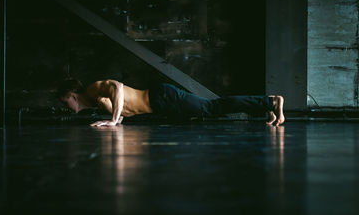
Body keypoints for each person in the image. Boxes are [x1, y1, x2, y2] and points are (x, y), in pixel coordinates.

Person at [56, 78, 285, 127]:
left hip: (161, 96)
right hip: (161, 105)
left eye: (64, 101)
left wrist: (113, 120)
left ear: (72, 95)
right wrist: (114, 119)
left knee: (213, 107)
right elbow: (126, 109)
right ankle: (268, 106)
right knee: (209, 111)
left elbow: (116, 86)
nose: (64, 106)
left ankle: (272, 101)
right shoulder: (97, 103)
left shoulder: (93, 89)